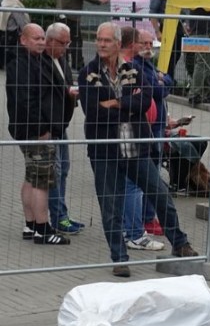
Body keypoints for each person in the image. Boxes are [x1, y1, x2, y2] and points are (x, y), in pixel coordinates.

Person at [78, 22, 198, 277]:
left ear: (118, 44)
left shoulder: (133, 70)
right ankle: (119, 257)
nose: (101, 44)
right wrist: (126, 105)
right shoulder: (88, 73)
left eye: (106, 40)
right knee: (110, 205)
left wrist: (114, 103)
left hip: (135, 149)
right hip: (105, 151)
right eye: (99, 39)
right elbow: (93, 110)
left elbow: (145, 101)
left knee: (159, 192)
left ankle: (180, 242)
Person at [5, 24, 70, 245]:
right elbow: (26, 101)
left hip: (28, 129)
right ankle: (43, 230)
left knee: (31, 176)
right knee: (42, 180)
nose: (42, 42)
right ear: (23, 40)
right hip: (34, 131)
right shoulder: (21, 65)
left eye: (43, 38)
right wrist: (41, 129)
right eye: (36, 38)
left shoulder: (30, 61)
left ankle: (31, 224)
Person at [119, 26, 166, 250]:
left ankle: (132, 229)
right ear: (133, 45)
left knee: (133, 183)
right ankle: (135, 233)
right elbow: (148, 95)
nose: (146, 47)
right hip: (132, 132)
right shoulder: (129, 67)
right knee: (133, 184)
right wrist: (146, 93)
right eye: (142, 43)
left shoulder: (136, 66)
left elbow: (155, 90)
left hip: (142, 130)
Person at [44, 22, 85, 235]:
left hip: (62, 124)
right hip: (49, 125)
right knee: (55, 170)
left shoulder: (61, 59)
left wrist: (71, 93)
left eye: (68, 42)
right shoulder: (42, 61)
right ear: (49, 41)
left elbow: (66, 83)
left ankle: (62, 214)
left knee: (64, 169)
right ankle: (58, 217)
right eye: (62, 42)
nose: (66, 47)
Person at [57, 0, 109, 70]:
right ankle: (77, 66)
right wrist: (99, 1)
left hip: (65, 14)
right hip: (70, 15)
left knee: (68, 41)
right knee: (75, 41)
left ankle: (66, 65)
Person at [149, 0, 184, 82]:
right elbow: (152, 13)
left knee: (177, 54)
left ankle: (170, 78)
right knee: (169, 55)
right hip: (167, 26)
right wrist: (157, 32)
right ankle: (168, 79)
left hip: (179, 25)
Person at [1, 0, 29, 69]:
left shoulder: (6, 0)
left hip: (4, 31)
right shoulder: (15, 6)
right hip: (12, 33)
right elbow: (22, 23)